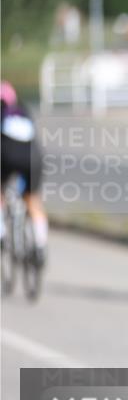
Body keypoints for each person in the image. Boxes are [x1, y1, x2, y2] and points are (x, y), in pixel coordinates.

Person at [0, 81, 48, 264]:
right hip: (32, 158)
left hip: (6, 156)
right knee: (33, 200)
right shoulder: (24, 111)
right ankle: (40, 244)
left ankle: (2, 233)